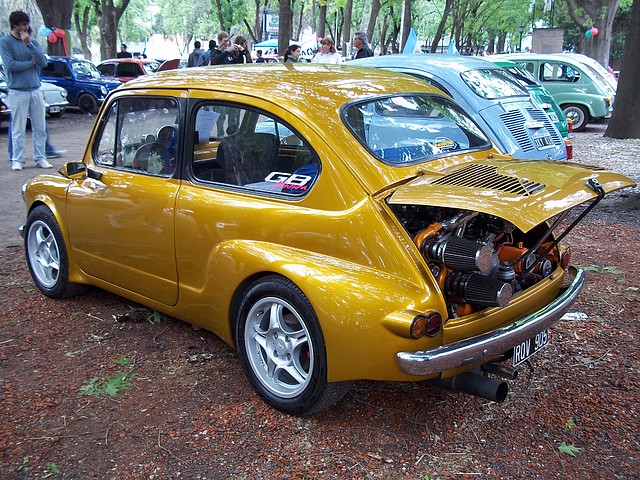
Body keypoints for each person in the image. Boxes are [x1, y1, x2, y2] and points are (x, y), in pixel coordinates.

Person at [0, 10, 51, 171]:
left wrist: (29, 45)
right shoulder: (5, 42)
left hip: (35, 89)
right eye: (22, 24)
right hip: (17, 90)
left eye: (26, 23)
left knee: (40, 127)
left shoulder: (32, 42)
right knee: (18, 128)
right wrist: (30, 63)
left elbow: (43, 62)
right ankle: (18, 159)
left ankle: (40, 157)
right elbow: (10, 65)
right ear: (15, 25)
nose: (26, 27)